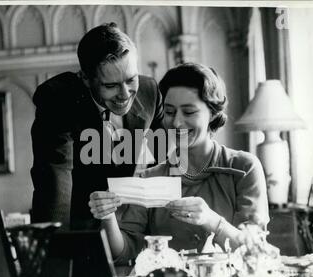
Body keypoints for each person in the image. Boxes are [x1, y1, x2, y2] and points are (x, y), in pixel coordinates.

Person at [89, 63, 269, 264]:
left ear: (213, 113)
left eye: (189, 112)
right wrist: (107, 216)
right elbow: (124, 252)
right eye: (170, 112)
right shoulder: (149, 176)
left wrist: (211, 220)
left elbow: (256, 251)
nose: (176, 123)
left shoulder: (244, 167)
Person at [30, 23, 163, 230]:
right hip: (81, 226)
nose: (125, 94)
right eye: (110, 86)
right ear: (85, 78)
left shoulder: (150, 91)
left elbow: (165, 156)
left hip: (136, 221)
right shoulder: (57, 98)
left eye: (131, 80)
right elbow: (55, 182)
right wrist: (57, 249)